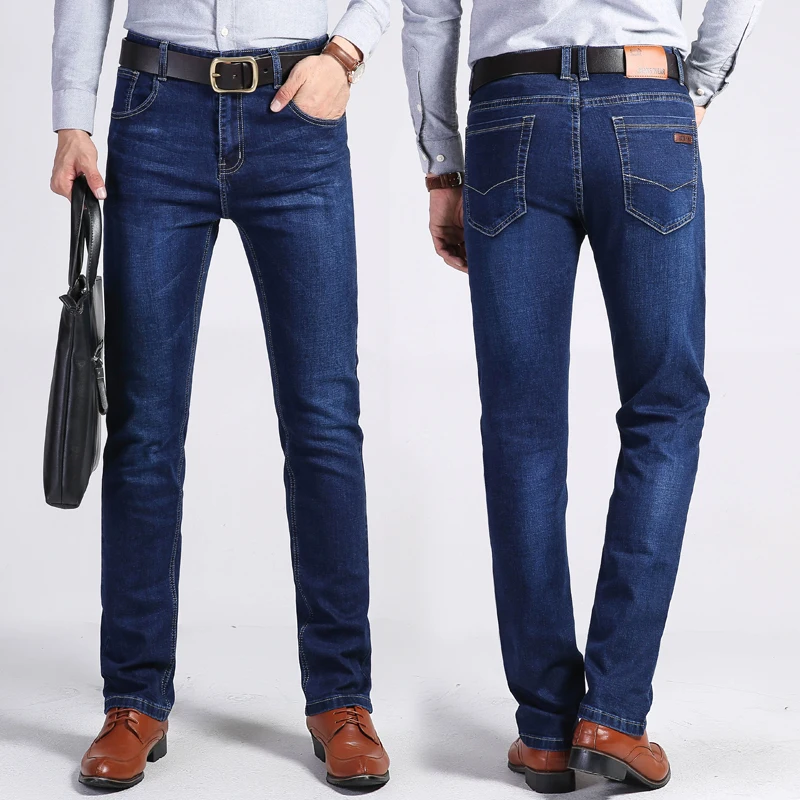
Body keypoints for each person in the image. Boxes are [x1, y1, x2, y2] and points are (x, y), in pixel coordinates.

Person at [400, 0, 762, 792]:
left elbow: (428, 11)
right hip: (644, 104)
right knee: (664, 410)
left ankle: (544, 730)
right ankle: (613, 716)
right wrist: (696, 86)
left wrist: (441, 163)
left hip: (508, 116)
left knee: (520, 426)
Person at [50, 0, 391, 791]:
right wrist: (71, 117)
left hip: (296, 114)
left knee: (325, 423)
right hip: (156, 110)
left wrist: (346, 53)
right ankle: (133, 700)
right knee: (143, 426)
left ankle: (342, 699)